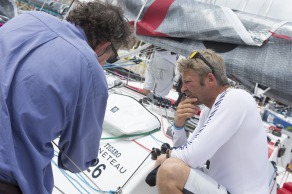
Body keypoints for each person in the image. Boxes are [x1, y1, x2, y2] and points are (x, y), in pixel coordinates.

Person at [0, 1, 132, 193]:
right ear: (104, 45)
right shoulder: (91, 71)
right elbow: (76, 161)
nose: (104, 63)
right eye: (111, 57)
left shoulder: (24, 19)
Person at [155, 49, 275, 194]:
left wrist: (167, 155)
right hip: (225, 189)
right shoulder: (209, 110)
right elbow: (187, 156)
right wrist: (179, 126)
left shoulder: (236, 98)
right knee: (172, 165)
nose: (182, 88)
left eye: (187, 82)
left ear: (210, 79)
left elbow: (193, 157)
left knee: (169, 171)